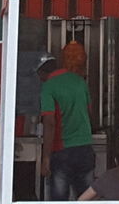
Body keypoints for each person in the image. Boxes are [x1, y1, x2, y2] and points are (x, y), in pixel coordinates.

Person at [38, 46, 94, 200]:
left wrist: (46, 158)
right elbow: (89, 113)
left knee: (60, 200)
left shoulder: (48, 86)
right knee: (87, 198)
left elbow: (49, 123)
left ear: (43, 74)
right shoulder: (80, 82)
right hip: (85, 149)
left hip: (62, 151)